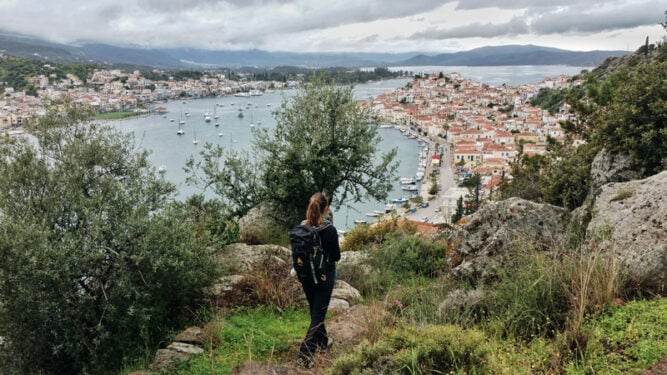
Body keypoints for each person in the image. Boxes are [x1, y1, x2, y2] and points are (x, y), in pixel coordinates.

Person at [297, 192, 340, 368]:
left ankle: (323, 343)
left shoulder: (301, 228)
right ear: (326, 209)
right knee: (318, 315)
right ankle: (305, 353)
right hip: (324, 278)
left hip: (306, 277)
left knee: (315, 312)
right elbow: (336, 256)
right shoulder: (330, 230)